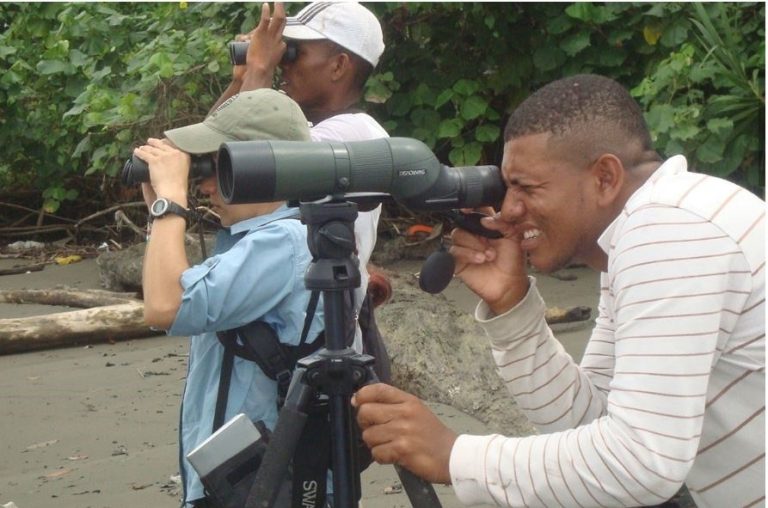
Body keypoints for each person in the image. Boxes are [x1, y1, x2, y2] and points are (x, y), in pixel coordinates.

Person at [352, 74, 765, 508]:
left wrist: (455, 455)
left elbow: (640, 463)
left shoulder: (670, 230)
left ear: (604, 177)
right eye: (507, 188)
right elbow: (589, 424)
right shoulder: (651, 230)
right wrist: (512, 309)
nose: (509, 211)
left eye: (527, 188)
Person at [137, 88, 325, 507]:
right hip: (240, 482)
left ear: (263, 166)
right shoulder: (250, 241)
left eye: (218, 165)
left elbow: (164, 307)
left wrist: (170, 205)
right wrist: (159, 213)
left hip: (268, 486)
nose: (203, 182)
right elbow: (171, 290)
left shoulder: (284, 243)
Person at [214, 1, 389, 354]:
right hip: (280, 332)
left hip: (313, 341)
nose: (283, 64)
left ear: (339, 65)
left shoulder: (355, 135)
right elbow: (209, 154)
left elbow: (246, 172)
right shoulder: (300, 128)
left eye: (293, 53)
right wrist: (243, 78)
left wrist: (260, 70)